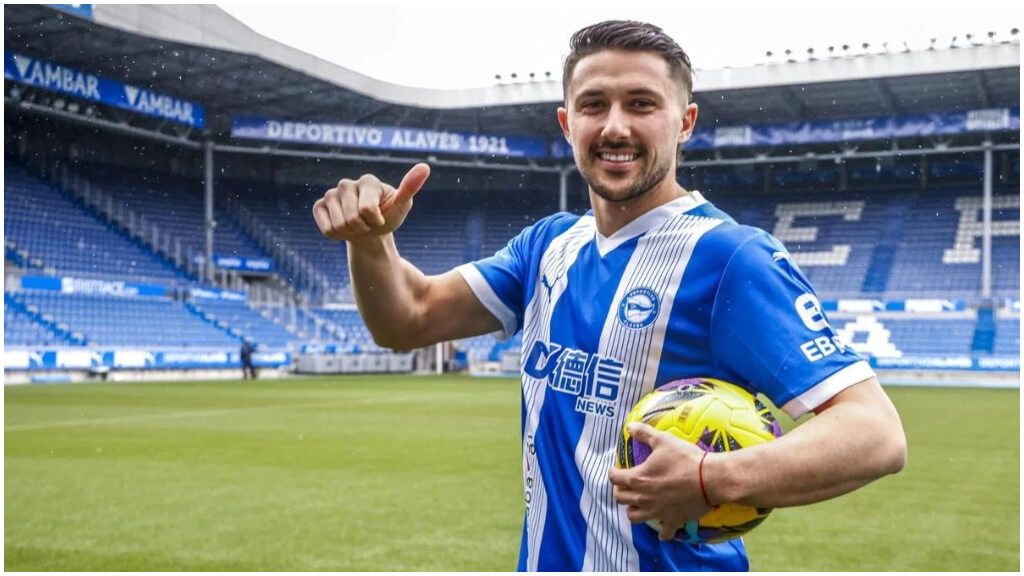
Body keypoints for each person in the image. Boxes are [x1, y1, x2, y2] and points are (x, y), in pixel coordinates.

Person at [312, 20, 907, 572]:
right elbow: (407, 319)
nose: (615, 126)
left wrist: (712, 477)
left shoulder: (730, 259)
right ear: (568, 124)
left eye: (642, 104)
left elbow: (874, 434)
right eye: (594, 105)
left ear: (685, 121)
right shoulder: (547, 246)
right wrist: (371, 245)